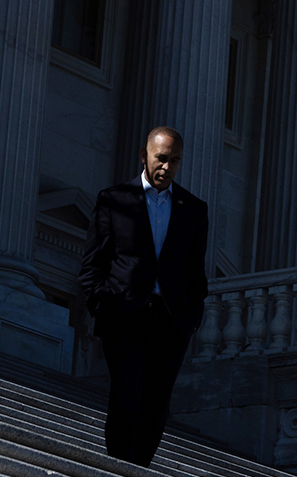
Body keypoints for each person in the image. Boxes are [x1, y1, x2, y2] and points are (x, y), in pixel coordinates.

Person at [79, 126, 209, 466]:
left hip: (169, 321)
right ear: (144, 155)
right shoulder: (114, 199)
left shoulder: (194, 209)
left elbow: (196, 272)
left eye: (175, 161)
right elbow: (93, 263)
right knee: (127, 395)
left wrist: (192, 317)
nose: (167, 168)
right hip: (123, 315)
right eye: (161, 159)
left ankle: (139, 468)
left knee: (157, 403)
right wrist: (101, 305)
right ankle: (119, 466)